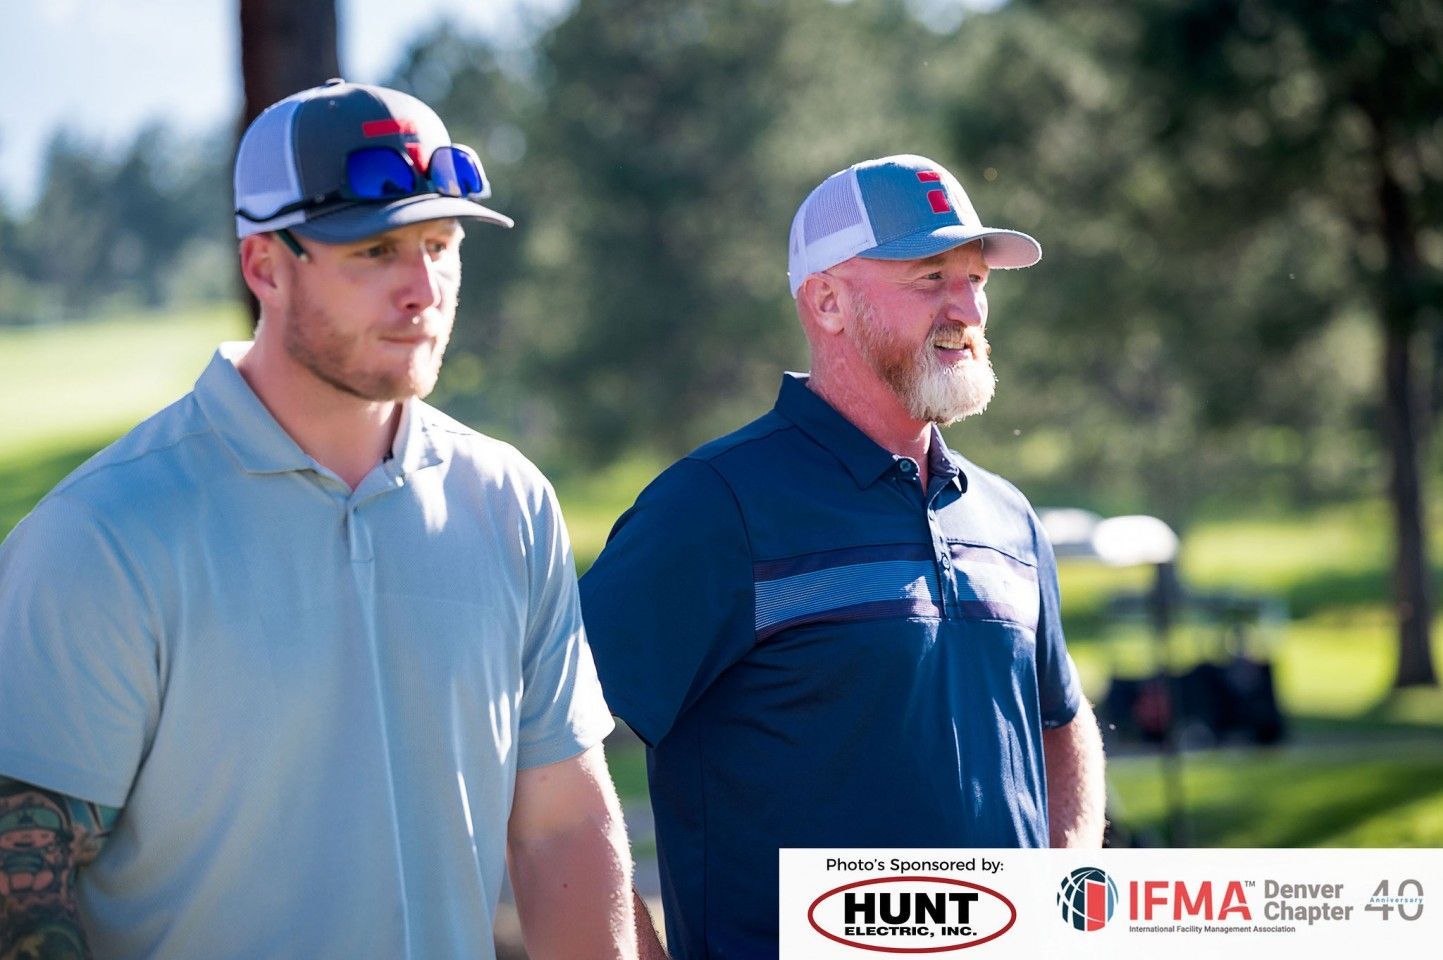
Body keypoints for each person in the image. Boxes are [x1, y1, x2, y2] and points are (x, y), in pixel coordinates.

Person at [0, 80, 653, 960]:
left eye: (440, 245)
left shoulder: (509, 503)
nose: (422, 289)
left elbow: (562, 828)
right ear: (264, 266)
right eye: (376, 250)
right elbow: (22, 878)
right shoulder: (101, 535)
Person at [580, 154, 1107, 958]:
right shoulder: (711, 507)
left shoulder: (1007, 517)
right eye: (930, 278)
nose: (967, 308)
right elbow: (540, 749)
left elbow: (1061, 724)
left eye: (975, 280)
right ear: (826, 301)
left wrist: (1060, 916)